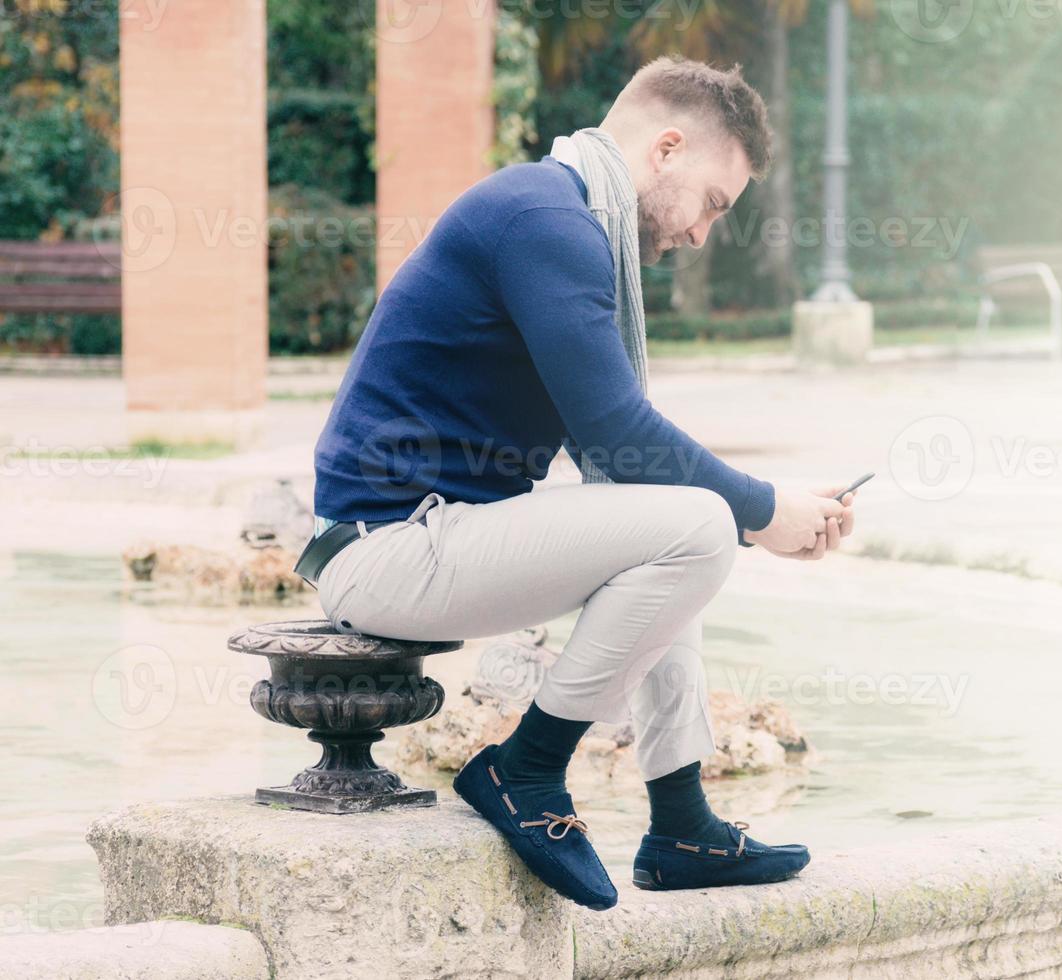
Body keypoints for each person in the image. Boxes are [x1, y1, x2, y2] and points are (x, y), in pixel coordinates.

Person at [299, 55, 858, 912]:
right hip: (393, 551)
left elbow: (627, 456)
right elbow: (619, 436)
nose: (704, 234)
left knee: (679, 525)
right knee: (698, 526)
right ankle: (526, 770)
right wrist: (765, 512)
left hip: (435, 534)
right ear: (667, 148)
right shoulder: (543, 220)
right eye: (714, 203)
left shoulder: (562, 219)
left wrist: (759, 507)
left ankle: (679, 823)